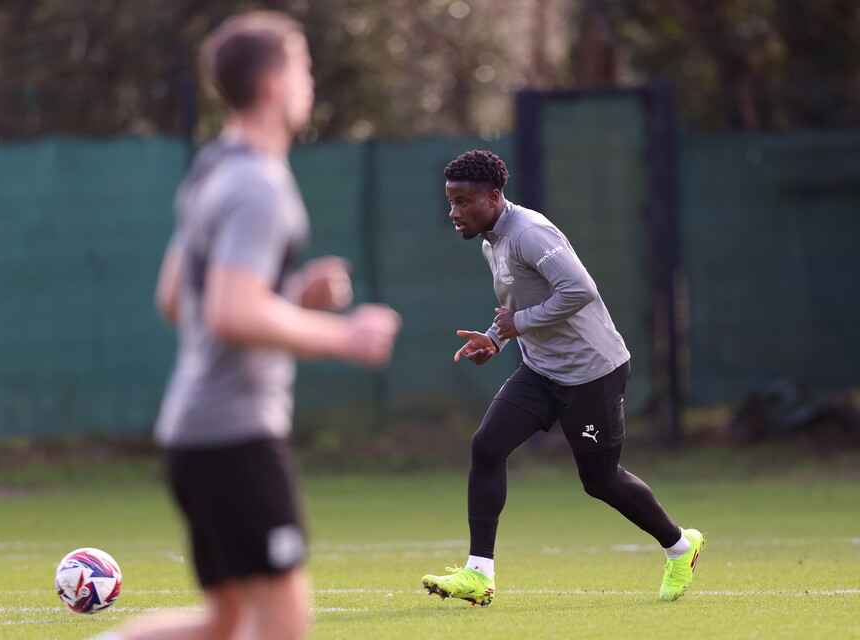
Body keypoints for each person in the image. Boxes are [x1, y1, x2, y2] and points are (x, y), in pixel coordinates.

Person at [92, 11, 401, 640]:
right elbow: (231, 312)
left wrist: (288, 296)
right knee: (282, 627)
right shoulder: (259, 186)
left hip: (194, 435)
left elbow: (179, 298)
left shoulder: (212, 167)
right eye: (304, 68)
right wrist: (344, 336)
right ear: (273, 86)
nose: (310, 83)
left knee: (226, 621)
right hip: (234, 439)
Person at [420, 150, 702, 607]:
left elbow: (580, 290)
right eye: (450, 201)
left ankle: (680, 547)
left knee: (601, 480)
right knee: (486, 446)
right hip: (541, 368)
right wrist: (494, 338)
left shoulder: (529, 232)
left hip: (592, 370)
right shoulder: (490, 238)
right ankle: (479, 574)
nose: (454, 212)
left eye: (463, 201)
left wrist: (518, 325)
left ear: (493, 197)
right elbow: (517, 307)